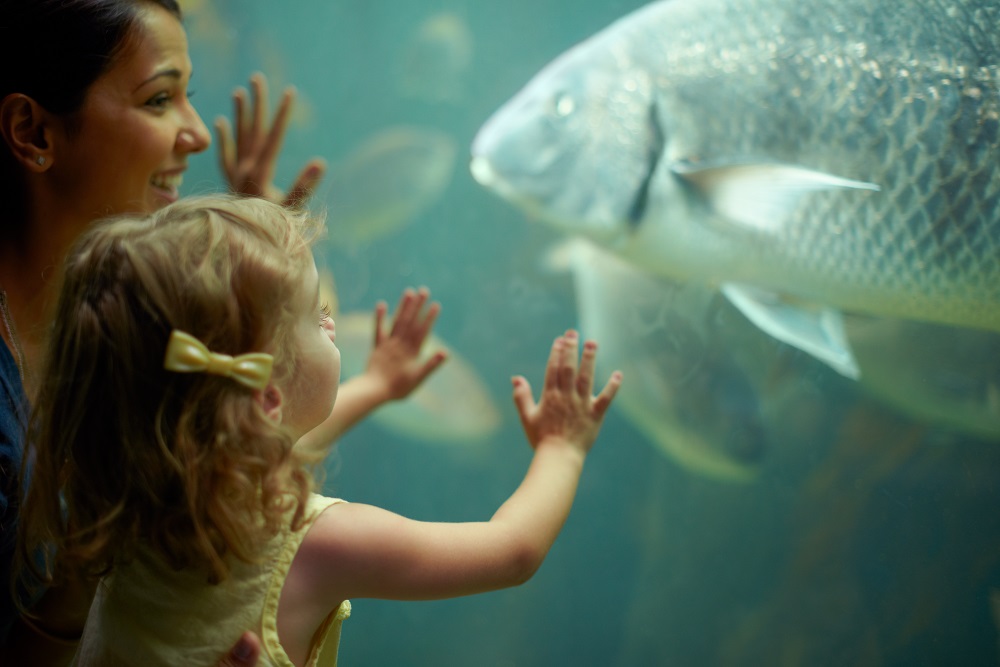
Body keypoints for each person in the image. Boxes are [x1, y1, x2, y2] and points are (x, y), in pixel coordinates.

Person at [0, 0, 444, 662]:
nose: (198, 133)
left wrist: (250, 280)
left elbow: (222, 461)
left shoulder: (137, 329)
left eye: (188, 97)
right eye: (158, 100)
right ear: (33, 130)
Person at [17, 194, 622, 666]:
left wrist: (376, 386)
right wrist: (562, 448)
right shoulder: (319, 544)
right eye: (314, 312)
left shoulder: (133, 493)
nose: (332, 318)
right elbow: (511, 551)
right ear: (267, 397)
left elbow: (281, 440)